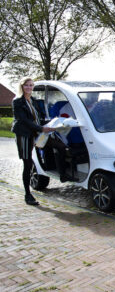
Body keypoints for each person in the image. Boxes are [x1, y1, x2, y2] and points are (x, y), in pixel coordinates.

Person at [11, 77, 69, 205]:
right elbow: (23, 121)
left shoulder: (33, 100)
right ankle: (27, 194)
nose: (29, 88)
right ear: (22, 86)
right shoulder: (17, 101)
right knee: (27, 164)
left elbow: (38, 118)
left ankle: (62, 174)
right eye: (26, 85)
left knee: (60, 146)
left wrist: (53, 124)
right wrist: (42, 128)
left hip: (37, 132)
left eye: (31, 85)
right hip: (24, 135)